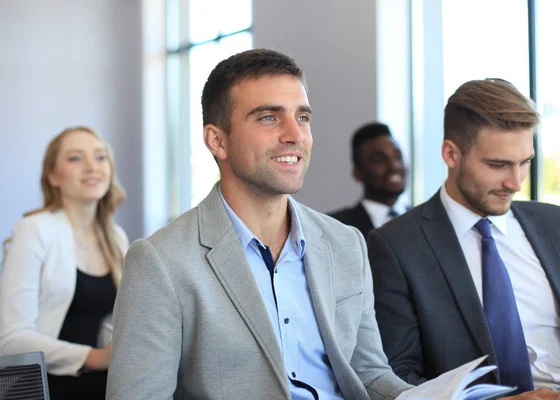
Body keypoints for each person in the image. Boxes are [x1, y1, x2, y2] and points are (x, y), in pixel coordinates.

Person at [107, 49, 412, 400]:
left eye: (303, 117)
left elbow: (369, 374)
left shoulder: (346, 243)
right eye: (269, 118)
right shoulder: (161, 261)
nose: (294, 134)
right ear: (216, 140)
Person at [369, 79, 560, 400]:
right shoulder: (395, 246)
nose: (515, 182)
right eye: (498, 165)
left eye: (525, 162)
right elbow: (398, 376)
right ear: (451, 154)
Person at [0, 126, 128, 399]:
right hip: (50, 388)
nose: (92, 166)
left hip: (110, 387)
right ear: (52, 176)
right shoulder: (33, 230)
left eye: (100, 157)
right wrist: (95, 357)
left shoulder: (116, 238)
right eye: (75, 158)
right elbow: (12, 340)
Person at [329, 122, 408, 238]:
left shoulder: (424, 220)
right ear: (357, 174)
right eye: (379, 160)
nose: (394, 166)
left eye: (397, 157)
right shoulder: (335, 227)